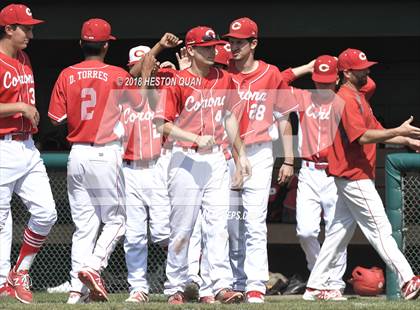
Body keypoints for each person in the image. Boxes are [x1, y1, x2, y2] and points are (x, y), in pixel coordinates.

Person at [304, 48, 420, 301]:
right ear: (346, 72)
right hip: (354, 175)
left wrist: (409, 139)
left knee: (338, 232)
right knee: (380, 229)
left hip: (353, 174)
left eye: (366, 66)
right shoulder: (344, 98)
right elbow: (363, 137)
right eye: (361, 68)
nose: (367, 70)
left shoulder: (359, 98)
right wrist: (398, 132)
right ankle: (407, 279)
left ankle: (314, 286)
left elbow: (380, 131)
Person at [154, 25, 251, 304]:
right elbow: (162, 124)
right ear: (192, 50)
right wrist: (194, 137)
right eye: (207, 47)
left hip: (216, 159)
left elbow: (230, 117)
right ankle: (176, 286)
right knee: (183, 227)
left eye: (214, 46)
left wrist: (240, 154)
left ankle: (219, 286)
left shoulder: (225, 78)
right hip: (185, 158)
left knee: (218, 225)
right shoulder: (176, 80)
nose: (213, 50)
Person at [48, 18, 137, 303]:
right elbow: (138, 104)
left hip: (76, 154)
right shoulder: (117, 73)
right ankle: (94, 266)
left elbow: (56, 120)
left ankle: (77, 290)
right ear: (107, 45)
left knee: (84, 226)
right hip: (104, 152)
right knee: (117, 221)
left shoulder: (66, 73)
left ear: (81, 44)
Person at [224, 17, 296, 303]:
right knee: (227, 223)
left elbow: (284, 119)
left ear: (253, 43)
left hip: (260, 151)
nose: (233, 46)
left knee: (255, 221)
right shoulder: (222, 71)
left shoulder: (271, 73)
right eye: (230, 41)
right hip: (227, 152)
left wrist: (288, 159)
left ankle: (255, 283)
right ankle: (232, 281)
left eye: (239, 41)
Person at [0, 4, 57, 304]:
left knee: (47, 213)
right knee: (1, 220)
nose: (31, 34)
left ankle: (19, 272)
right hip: (2, 146)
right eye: (27, 28)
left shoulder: (24, 57)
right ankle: (2, 284)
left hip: (27, 147)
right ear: (9, 29)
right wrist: (19, 107)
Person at [122, 34, 181, 303]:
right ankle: (138, 288)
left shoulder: (164, 93)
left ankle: (182, 278)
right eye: (137, 65)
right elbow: (137, 84)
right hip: (130, 168)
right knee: (134, 235)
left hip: (158, 166)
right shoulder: (123, 91)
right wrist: (145, 70)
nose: (142, 68)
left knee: (162, 233)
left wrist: (164, 68)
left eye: (147, 64)